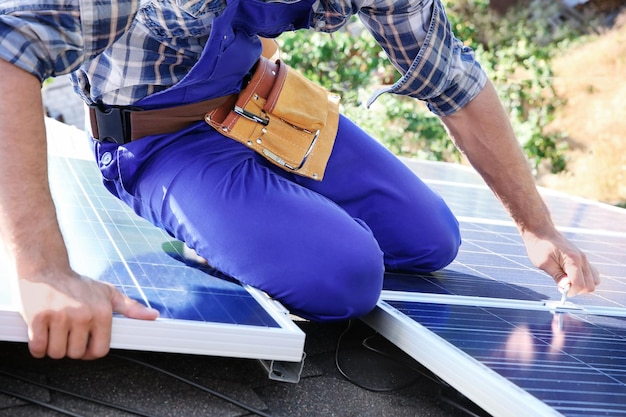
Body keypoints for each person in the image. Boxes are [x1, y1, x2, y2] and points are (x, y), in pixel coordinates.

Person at [0, 0, 600, 361]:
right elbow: (10, 48)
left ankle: (258, 217)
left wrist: (537, 226)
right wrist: (44, 269)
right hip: (162, 140)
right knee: (348, 277)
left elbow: (454, 83)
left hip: (265, 107)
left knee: (434, 240)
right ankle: (209, 230)